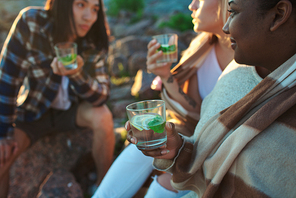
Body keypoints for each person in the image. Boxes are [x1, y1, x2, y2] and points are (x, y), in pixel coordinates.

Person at [126, 0, 296, 197]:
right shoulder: (235, 70)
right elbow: (208, 149)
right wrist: (177, 149)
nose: (226, 27)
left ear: (278, 14)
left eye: (233, 12)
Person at [93, 0, 234, 197]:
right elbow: (192, 111)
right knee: (141, 146)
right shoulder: (202, 46)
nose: (191, 6)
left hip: (221, 148)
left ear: (227, 4)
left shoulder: (248, 58)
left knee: (166, 182)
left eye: (199, 0)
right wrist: (165, 74)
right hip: (191, 135)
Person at [0, 0, 115, 196]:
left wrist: (76, 74)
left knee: (103, 116)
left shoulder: (93, 37)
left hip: (72, 111)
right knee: (2, 155)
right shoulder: (31, 22)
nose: (89, 16)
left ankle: (106, 190)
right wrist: (2, 133)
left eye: (95, 9)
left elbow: (101, 96)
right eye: (81, 5)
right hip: (33, 112)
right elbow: (7, 80)